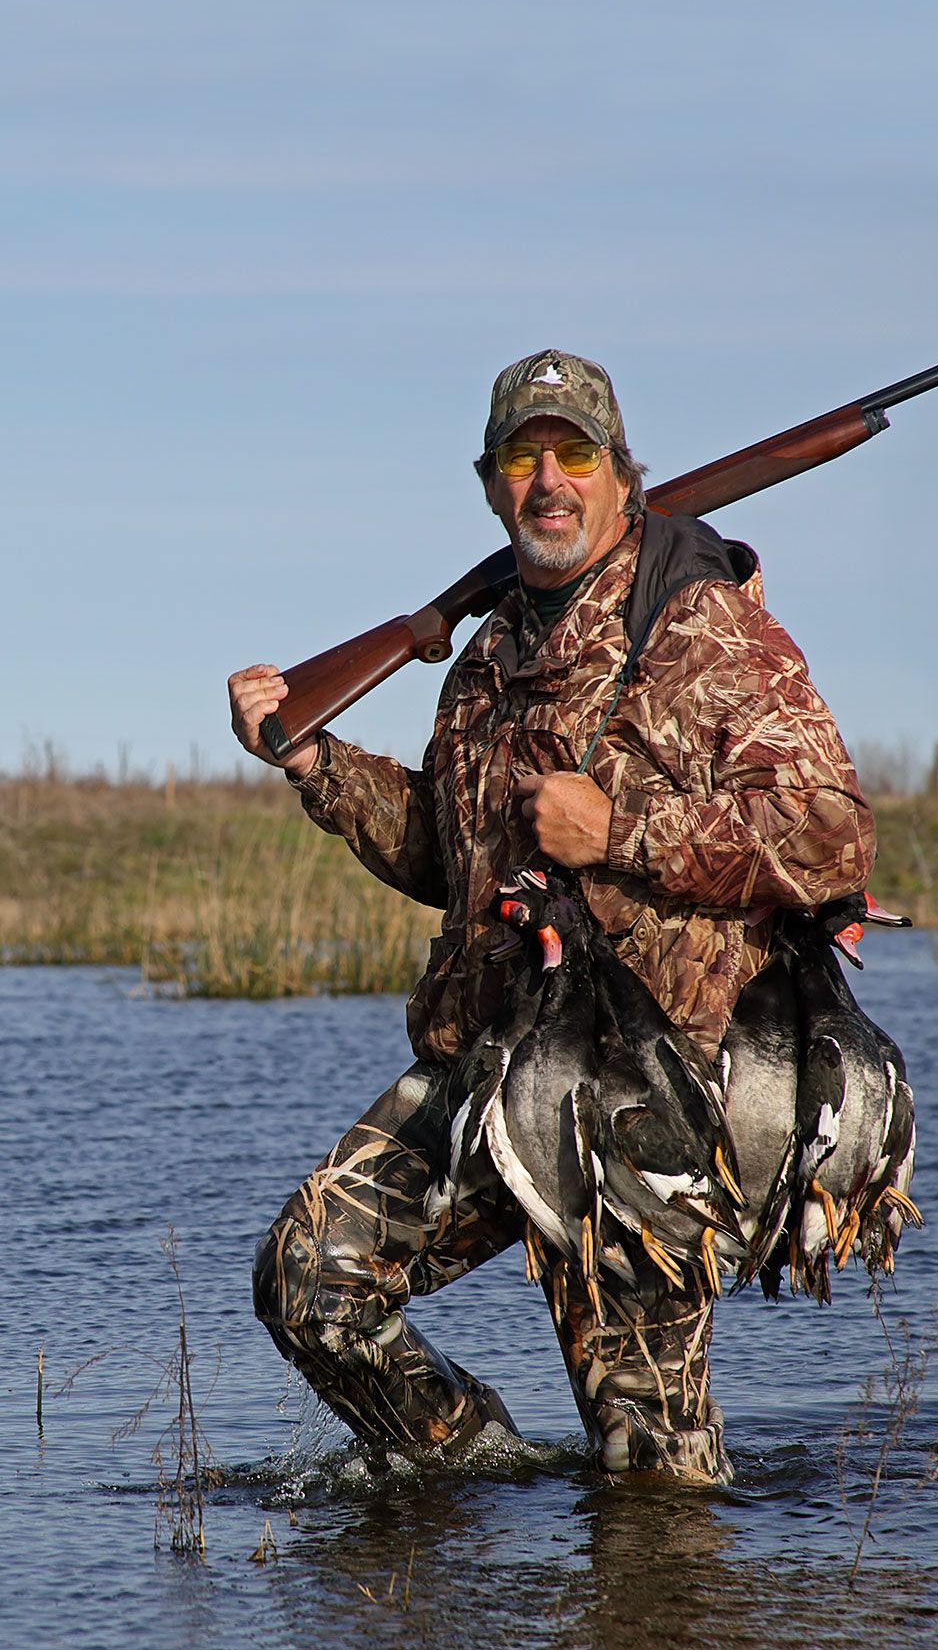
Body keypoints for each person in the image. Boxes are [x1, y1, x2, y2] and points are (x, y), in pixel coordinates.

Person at [231, 350, 874, 1482]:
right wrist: (317, 764)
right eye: (522, 458)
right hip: (489, 1071)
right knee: (310, 1280)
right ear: (490, 485)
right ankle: (474, 1476)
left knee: (650, 1478)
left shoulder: (701, 626)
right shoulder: (483, 658)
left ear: (621, 473)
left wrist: (618, 830)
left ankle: (639, 1549)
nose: (548, 480)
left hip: (637, 1099)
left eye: (573, 452)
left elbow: (831, 836)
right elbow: (452, 855)